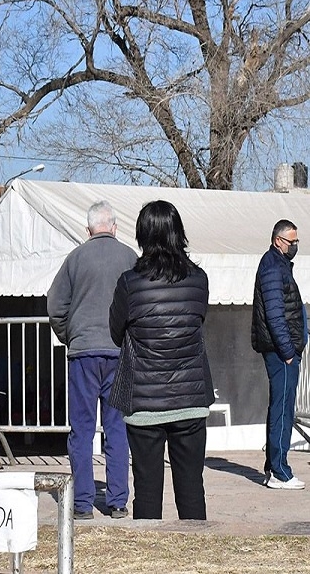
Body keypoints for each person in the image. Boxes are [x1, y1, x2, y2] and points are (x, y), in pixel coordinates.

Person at [109, 200, 214, 520]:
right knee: (192, 487)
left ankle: (147, 558)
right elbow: (198, 321)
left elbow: (116, 332)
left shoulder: (130, 282)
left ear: (142, 235)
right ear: (178, 233)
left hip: (144, 402)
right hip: (190, 398)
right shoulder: (199, 279)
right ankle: (198, 557)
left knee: (147, 488)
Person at [47, 200, 136, 520]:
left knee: (81, 430)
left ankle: (83, 504)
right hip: (118, 353)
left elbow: (55, 305)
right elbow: (140, 305)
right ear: (113, 226)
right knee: (117, 429)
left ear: (88, 230)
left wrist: (70, 336)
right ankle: (117, 501)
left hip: (83, 353)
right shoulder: (129, 257)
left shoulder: (75, 258)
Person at [251, 219, 308, 490]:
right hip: (280, 351)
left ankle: (274, 465)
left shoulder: (279, 265)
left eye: (297, 241)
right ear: (278, 241)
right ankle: (280, 471)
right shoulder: (273, 266)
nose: (295, 245)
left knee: (281, 407)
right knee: (282, 409)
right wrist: (287, 351)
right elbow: (275, 314)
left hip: (283, 349)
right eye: (291, 241)